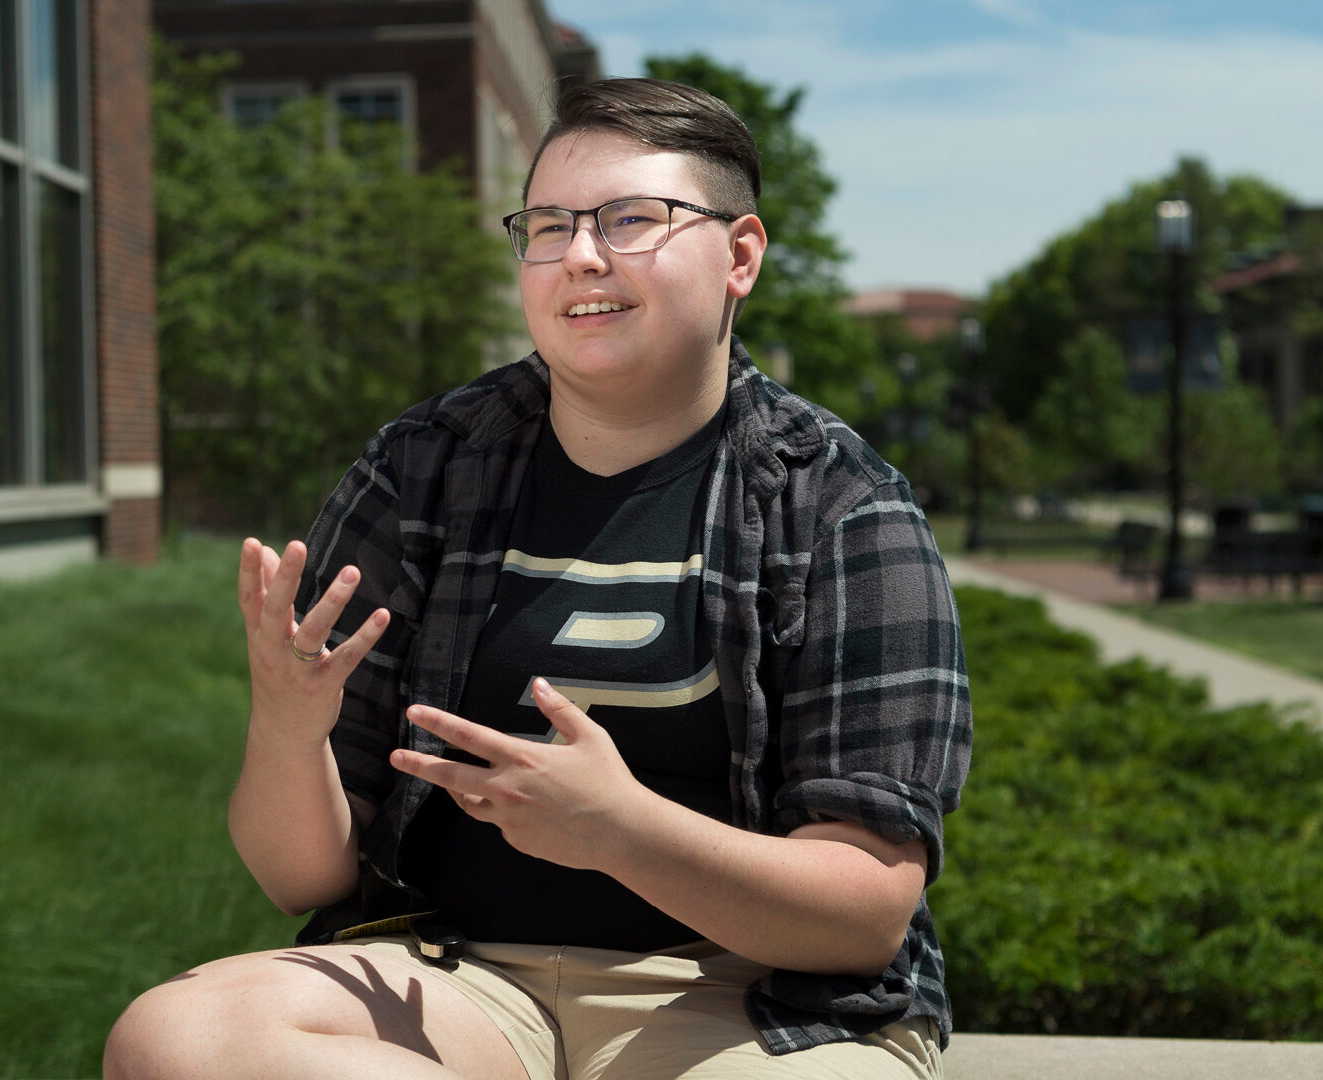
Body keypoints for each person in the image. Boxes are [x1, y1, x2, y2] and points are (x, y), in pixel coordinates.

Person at [104, 77, 971, 1080]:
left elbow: (861, 915)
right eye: (549, 226)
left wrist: (621, 830)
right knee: (176, 1041)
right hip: (460, 977)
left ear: (741, 256)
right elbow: (301, 873)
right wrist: (286, 728)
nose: (582, 257)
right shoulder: (422, 469)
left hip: (749, 997)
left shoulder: (843, 509)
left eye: (631, 219)